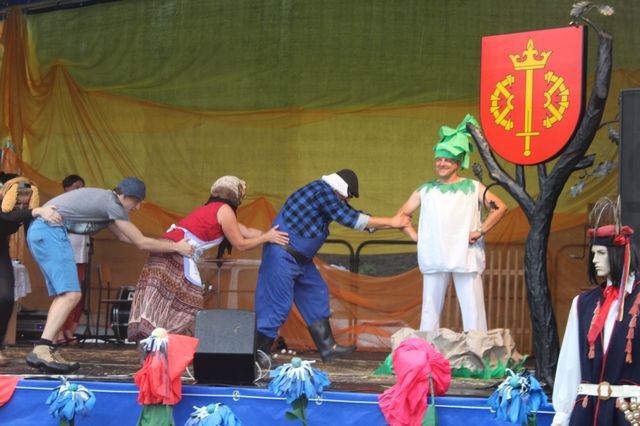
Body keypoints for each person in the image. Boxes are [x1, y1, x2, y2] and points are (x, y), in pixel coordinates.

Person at [25, 177, 194, 374]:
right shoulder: (112, 203)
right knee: (71, 295)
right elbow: (140, 241)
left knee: (66, 295)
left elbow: (124, 237)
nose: (138, 207)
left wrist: (167, 246)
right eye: (136, 201)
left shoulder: (106, 202)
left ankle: (47, 349)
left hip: (42, 231)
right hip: (49, 231)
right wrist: (176, 247)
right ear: (123, 196)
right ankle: (43, 348)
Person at [254, 169, 411, 362]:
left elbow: (355, 215)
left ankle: (328, 347)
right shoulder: (322, 191)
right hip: (282, 255)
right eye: (349, 196)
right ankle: (259, 354)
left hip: (301, 259)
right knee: (276, 305)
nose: (348, 200)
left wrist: (394, 224)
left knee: (316, 293)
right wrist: (393, 221)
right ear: (343, 189)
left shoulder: (327, 196)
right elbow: (351, 219)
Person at [127, 176, 288, 341]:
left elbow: (246, 231)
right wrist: (266, 238)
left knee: (164, 305)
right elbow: (240, 244)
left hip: (163, 251)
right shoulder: (224, 210)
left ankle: (156, 344)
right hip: (177, 252)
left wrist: (271, 235)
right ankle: (165, 344)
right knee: (189, 306)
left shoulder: (212, 209)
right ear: (236, 196)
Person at [396, 114, 507, 332]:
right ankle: (426, 350)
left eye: (447, 159)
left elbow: (500, 207)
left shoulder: (473, 187)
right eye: (439, 159)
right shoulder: (426, 189)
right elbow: (402, 216)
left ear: (458, 162)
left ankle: (477, 349)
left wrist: (480, 231)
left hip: (465, 254)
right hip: (434, 255)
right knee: (429, 311)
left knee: (473, 309)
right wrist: (417, 237)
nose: (442, 163)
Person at [552, 198, 640, 426]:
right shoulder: (582, 303)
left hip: (630, 415)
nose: (594, 260)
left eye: (601, 253)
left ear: (618, 253)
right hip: (587, 413)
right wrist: (562, 415)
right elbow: (570, 363)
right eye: (593, 253)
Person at [0, 175, 61, 367]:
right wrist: (37, 211)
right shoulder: (14, 208)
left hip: (1, 251)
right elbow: (7, 216)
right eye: (17, 201)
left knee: (6, 297)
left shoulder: (27, 212)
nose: (21, 205)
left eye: (25, 202)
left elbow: (30, 235)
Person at [55, 174, 89, 345]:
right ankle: (58, 330)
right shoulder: (59, 206)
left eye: (81, 187)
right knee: (65, 293)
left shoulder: (85, 207)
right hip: (66, 255)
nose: (79, 191)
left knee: (77, 294)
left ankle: (70, 328)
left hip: (81, 255)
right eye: (76, 187)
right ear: (66, 189)